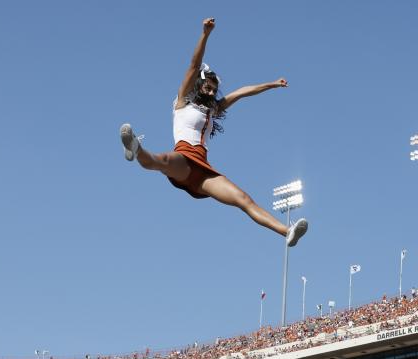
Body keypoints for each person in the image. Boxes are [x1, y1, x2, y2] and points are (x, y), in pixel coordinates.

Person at [120, 18, 308, 248]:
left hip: (204, 171)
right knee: (162, 160)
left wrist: (272, 84)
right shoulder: (181, 101)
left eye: (214, 89)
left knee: (243, 199)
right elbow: (193, 64)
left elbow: (242, 92)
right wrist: (205, 34)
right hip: (184, 158)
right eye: (207, 87)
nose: (211, 91)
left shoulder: (214, 109)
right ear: (198, 86)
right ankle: (136, 148)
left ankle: (287, 231)